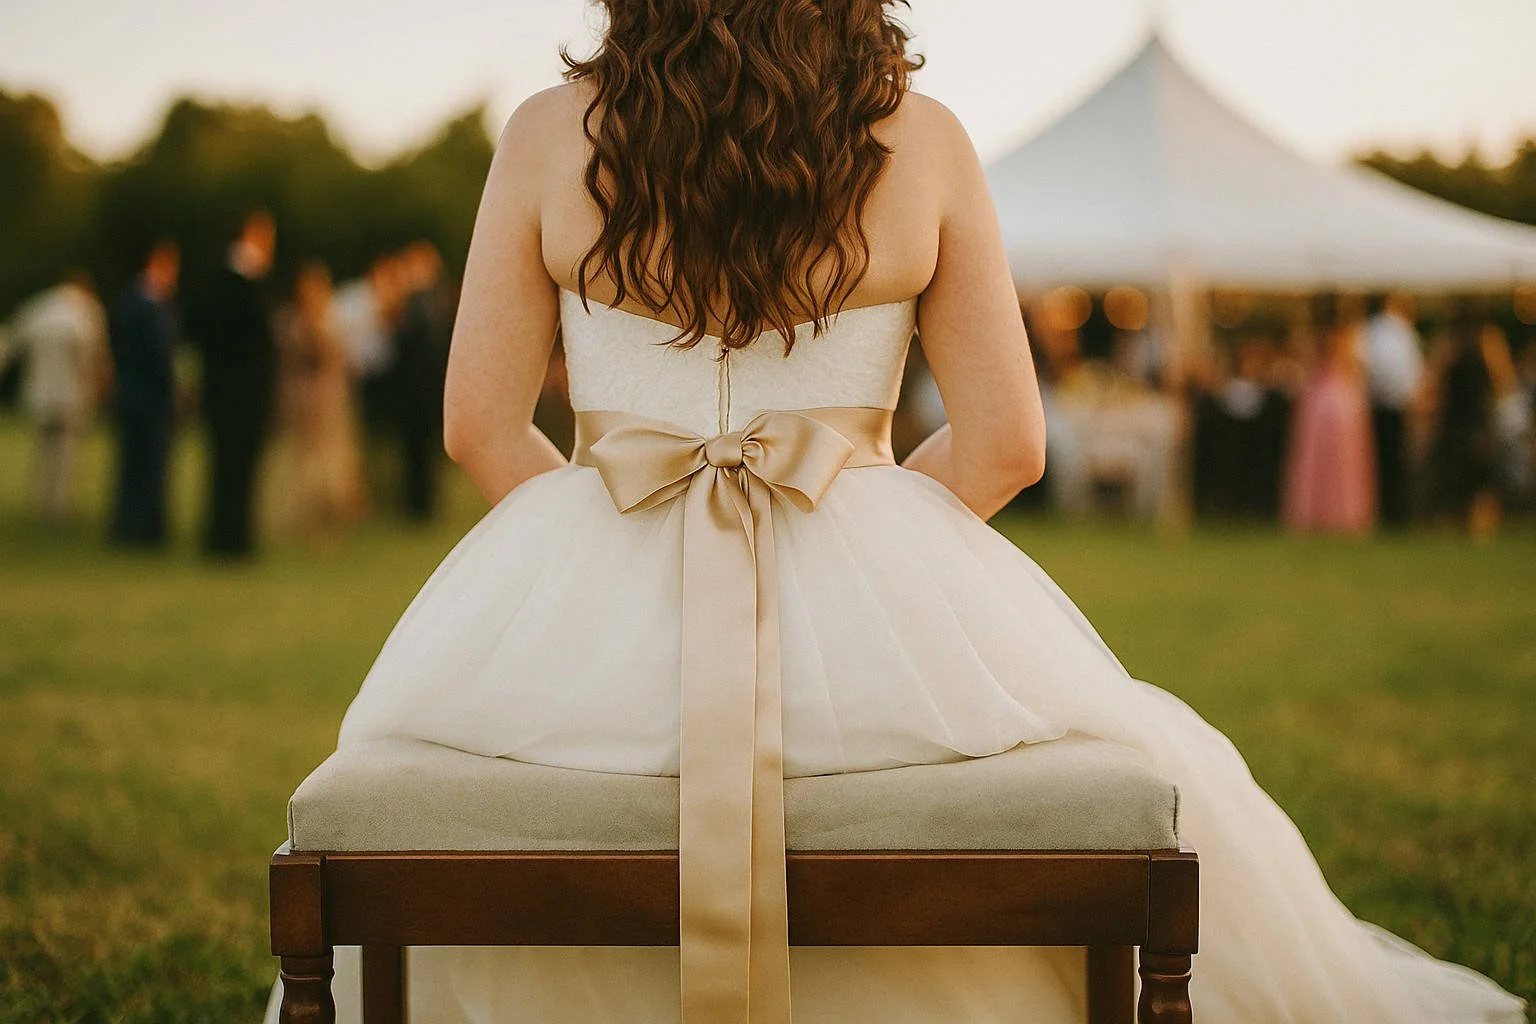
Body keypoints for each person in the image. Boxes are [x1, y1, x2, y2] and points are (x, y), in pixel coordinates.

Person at [267, 4, 1525, 1022]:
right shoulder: (922, 140)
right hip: (868, 631)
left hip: (595, 636)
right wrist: (874, 559)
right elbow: (1010, 441)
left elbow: (477, 426)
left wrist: (587, 571)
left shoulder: (546, 136)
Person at [192, 210, 277, 559]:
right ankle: (231, 539)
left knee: (226, 468)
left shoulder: (215, 283)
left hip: (220, 394)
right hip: (240, 397)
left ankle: (224, 535)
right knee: (235, 469)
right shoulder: (244, 286)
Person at [3, 272, 109, 521]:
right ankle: (58, 507)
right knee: (65, 454)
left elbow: (10, 342)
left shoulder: (40, 308)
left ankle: (41, 500)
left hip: (38, 393)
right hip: (71, 395)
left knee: (43, 450)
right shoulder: (86, 312)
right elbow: (92, 355)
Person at [273, 261, 367, 541]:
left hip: (330, 404)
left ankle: (332, 521)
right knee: (306, 466)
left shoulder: (333, 320)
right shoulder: (292, 321)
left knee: (334, 467)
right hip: (302, 403)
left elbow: (344, 360)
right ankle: (308, 522)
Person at [1282, 293, 1377, 534]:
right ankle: (1341, 513)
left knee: (1322, 461)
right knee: (1341, 464)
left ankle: (1320, 512)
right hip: (1341, 402)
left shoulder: (1316, 338)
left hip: (1320, 402)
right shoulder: (1348, 338)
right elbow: (1358, 369)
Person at [108, 241, 181, 546]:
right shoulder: (142, 304)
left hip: (138, 394)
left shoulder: (138, 302)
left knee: (143, 464)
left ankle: (140, 525)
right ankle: (139, 528)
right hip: (145, 396)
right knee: (142, 464)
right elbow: (152, 354)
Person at [391, 240, 456, 521]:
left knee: (426, 451)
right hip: (412, 390)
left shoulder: (437, 299)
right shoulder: (409, 301)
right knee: (413, 451)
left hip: (429, 387)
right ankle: (415, 504)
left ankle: (424, 504)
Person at [1361, 291, 1424, 527]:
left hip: (1377, 406)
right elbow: (1411, 376)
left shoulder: (1371, 331)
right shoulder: (1402, 334)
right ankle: (1397, 514)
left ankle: (1387, 512)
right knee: (1396, 462)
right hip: (1396, 407)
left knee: (1381, 464)